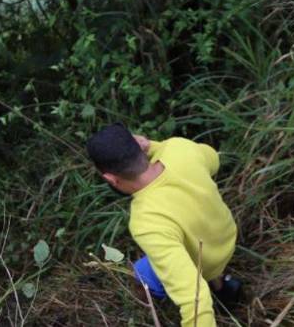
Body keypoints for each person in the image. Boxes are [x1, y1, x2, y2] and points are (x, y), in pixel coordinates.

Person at [86, 123, 242, 327]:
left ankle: (146, 310)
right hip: (226, 237)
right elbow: (213, 158)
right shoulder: (180, 149)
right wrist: (153, 146)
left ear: (110, 179)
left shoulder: (146, 220)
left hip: (205, 261)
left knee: (141, 272)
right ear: (138, 146)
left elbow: (194, 296)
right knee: (190, 233)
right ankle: (223, 287)